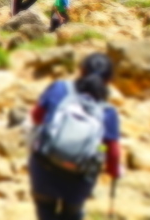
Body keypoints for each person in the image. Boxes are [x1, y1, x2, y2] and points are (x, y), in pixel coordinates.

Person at [28, 53, 121, 220]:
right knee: (72, 214)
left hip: (45, 166)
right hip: (79, 178)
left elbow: (36, 116)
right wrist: (113, 171)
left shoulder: (59, 88)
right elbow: (112, 152)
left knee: (45, 210)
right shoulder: (108, 112)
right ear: (109, 81)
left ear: (81, 71)